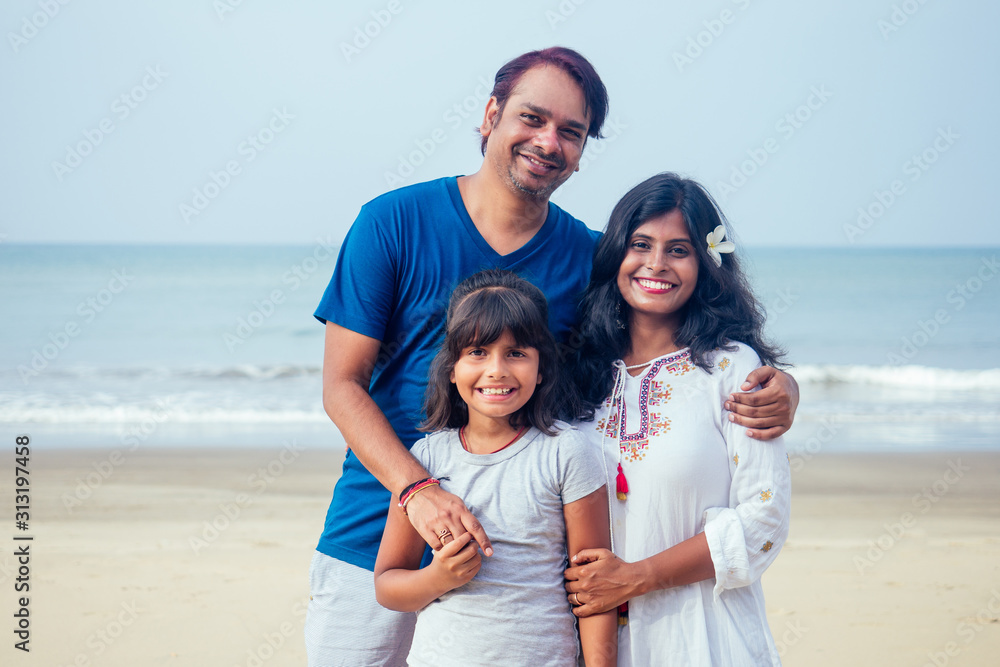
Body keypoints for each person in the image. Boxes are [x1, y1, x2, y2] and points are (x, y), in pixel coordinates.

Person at [307, 47, 798, 666]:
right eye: (532, 119)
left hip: (521, 576)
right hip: (372, 537)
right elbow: (341, 387)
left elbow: (664, 338)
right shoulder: (391, 223)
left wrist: (777, 382)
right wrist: (419, 492)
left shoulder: (588, 257)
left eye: (572, 132)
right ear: (491, 114)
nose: (548, 142)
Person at [563, 172, 792, 666]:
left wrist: (637, 576)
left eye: (679, 250)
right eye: (640, 244)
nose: (656, 264)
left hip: (704, 640)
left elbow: (763, 520)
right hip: (589, 641)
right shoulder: (576, 371)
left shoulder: (733, 369)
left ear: (707, 263)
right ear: (615, 255)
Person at [373, 269, 616, 666]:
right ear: (451, 368)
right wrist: (439, 578)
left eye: (516, 353)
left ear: (541, 370)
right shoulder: (426, 460)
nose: (497, 370)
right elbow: (387, 586)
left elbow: (594, 587)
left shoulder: (567, 452)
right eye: (477, 352)